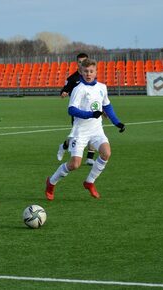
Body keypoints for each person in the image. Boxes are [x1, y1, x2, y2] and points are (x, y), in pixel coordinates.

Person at [45, 58, 125, 201]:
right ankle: (51, 182)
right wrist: (90, 114)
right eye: (86, 71)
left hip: (96, 130)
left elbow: (107, 106)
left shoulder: (102, 87)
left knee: (106, 153)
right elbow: (71, 110)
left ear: (96, 72)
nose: (88, 74)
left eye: (91, 71)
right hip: (80, 132)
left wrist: (117, 122)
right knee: (75, 164)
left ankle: (89, 182)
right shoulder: (78, 89)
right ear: (81, 72)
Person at [57, 53, 97, 166]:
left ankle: (89, 158)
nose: (82, 64)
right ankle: (64, 146)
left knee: (93, 132)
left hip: (91, 109)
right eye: (80, 62)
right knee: (76, 136)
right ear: (77, 63)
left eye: (84, 61)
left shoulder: (91, 76)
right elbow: (64, 90)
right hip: (77, 112)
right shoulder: (72, 78)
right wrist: (64, 93)